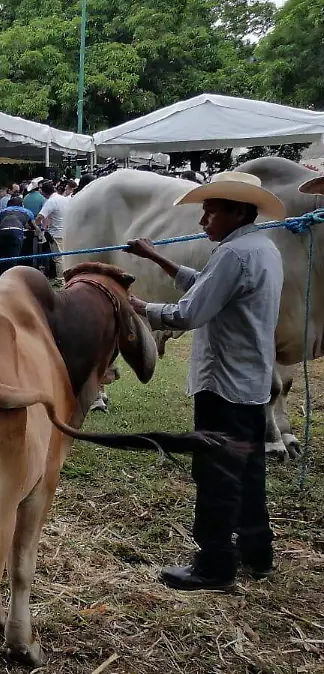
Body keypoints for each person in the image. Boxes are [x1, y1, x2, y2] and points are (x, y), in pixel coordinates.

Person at [125, 171, 285, 591]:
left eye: (210, 212)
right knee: (248, 470)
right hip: (249, 383)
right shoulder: (261, 248)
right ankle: (257, 552)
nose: (202, 221)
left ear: (238, 211)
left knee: (216, 475)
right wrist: (157, 258)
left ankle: (214, 566)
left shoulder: (233, 255)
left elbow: (189, 313)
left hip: (223, 385)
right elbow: (207, 287)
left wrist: (139, 306)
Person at [0, 196, 35, 279]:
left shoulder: (3, 211)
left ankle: (2, 276)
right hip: (16, 232)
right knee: (14, 256)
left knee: (3, 256)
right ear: (22, 204)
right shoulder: (27, 211)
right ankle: (12, 277)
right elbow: (34, 226)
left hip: (3, 232)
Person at [37, 180, 70, 278]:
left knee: (58, 258)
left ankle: (61, 279)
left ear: (44, 192)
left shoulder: (51, 201)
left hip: (56, 233)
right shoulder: (64, 199)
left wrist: (33, 225)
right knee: (66, 257)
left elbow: (40, 216)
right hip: (66, 232)